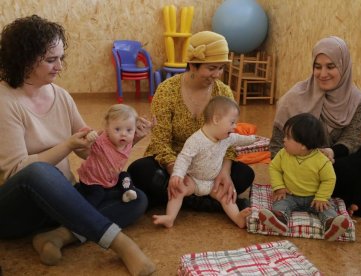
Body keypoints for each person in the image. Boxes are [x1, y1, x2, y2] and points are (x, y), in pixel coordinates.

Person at [0, 15, 155, 275]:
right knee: (39, 171)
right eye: (51, 59)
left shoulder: (60, 95)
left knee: (137, 199)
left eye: (61, 57)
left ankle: (57, 237)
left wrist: (128, 138)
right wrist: (67, 145)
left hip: (59, 201)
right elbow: (17, 173)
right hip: (15, 211)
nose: (60, 66)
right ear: (25, 59)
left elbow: (91, 151)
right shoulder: (5, 102)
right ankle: (120, 244)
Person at [269, 36, 361, 219]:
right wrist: (289, 177)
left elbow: (351, 140)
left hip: (338, 160)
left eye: (331, 66)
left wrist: (331, 152)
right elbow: (275, 147)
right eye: (317, 66)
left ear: (343, 66)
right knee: (343, 172)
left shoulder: (355, 99)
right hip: (306, 173)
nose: (323, 73)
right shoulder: (293, 99)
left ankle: (354, 199)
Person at [127, 31, 255, 212]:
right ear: (192, 66)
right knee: (140, 171)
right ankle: (211, 202)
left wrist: (225, 173)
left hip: (210, 166)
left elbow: (229, 141)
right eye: (211, 68)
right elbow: (160, 143)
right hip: (175, 164)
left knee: (245, 174)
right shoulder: (166, 91)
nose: (217, 74)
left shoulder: (223, 93)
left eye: (220, 68)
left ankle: (181, 199)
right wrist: (178, 175)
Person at [153, 96, 255, 228]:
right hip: (193, 180)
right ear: (216, 119)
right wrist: (177, 175)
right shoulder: (196, 140)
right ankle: (170, 217)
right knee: (177, 190)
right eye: (232, 122)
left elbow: (240, 139)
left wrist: (254, 139)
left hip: (214, 182)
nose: (235, 127)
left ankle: (237, 218)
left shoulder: (227, 138)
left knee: (226, 195)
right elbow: (184, 158)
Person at [259, 113, 350, 241]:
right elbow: (274, 168)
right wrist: (279, 187)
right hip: (290, 195)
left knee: (326, 208)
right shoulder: (283, 153)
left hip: (314, 198)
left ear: (303, 145)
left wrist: (322, 197)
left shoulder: (321, 160)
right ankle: (279, 219)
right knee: (280, 203)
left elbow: (329, 179)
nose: (283, 139)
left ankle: (331, 224)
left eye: (288, 137)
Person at [77, 104, 154, 206]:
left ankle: (128, 192)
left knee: (125, 175)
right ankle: (84, 211)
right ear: (107, 128)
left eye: (129, 130)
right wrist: (89, 134)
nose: (124, 134)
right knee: (97, 195)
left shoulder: (127, 142)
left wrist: (144, 126)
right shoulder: (100, 141)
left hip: (111, 178)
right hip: (92, 181)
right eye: (117, 129)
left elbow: (136, 131)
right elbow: (83, 132)